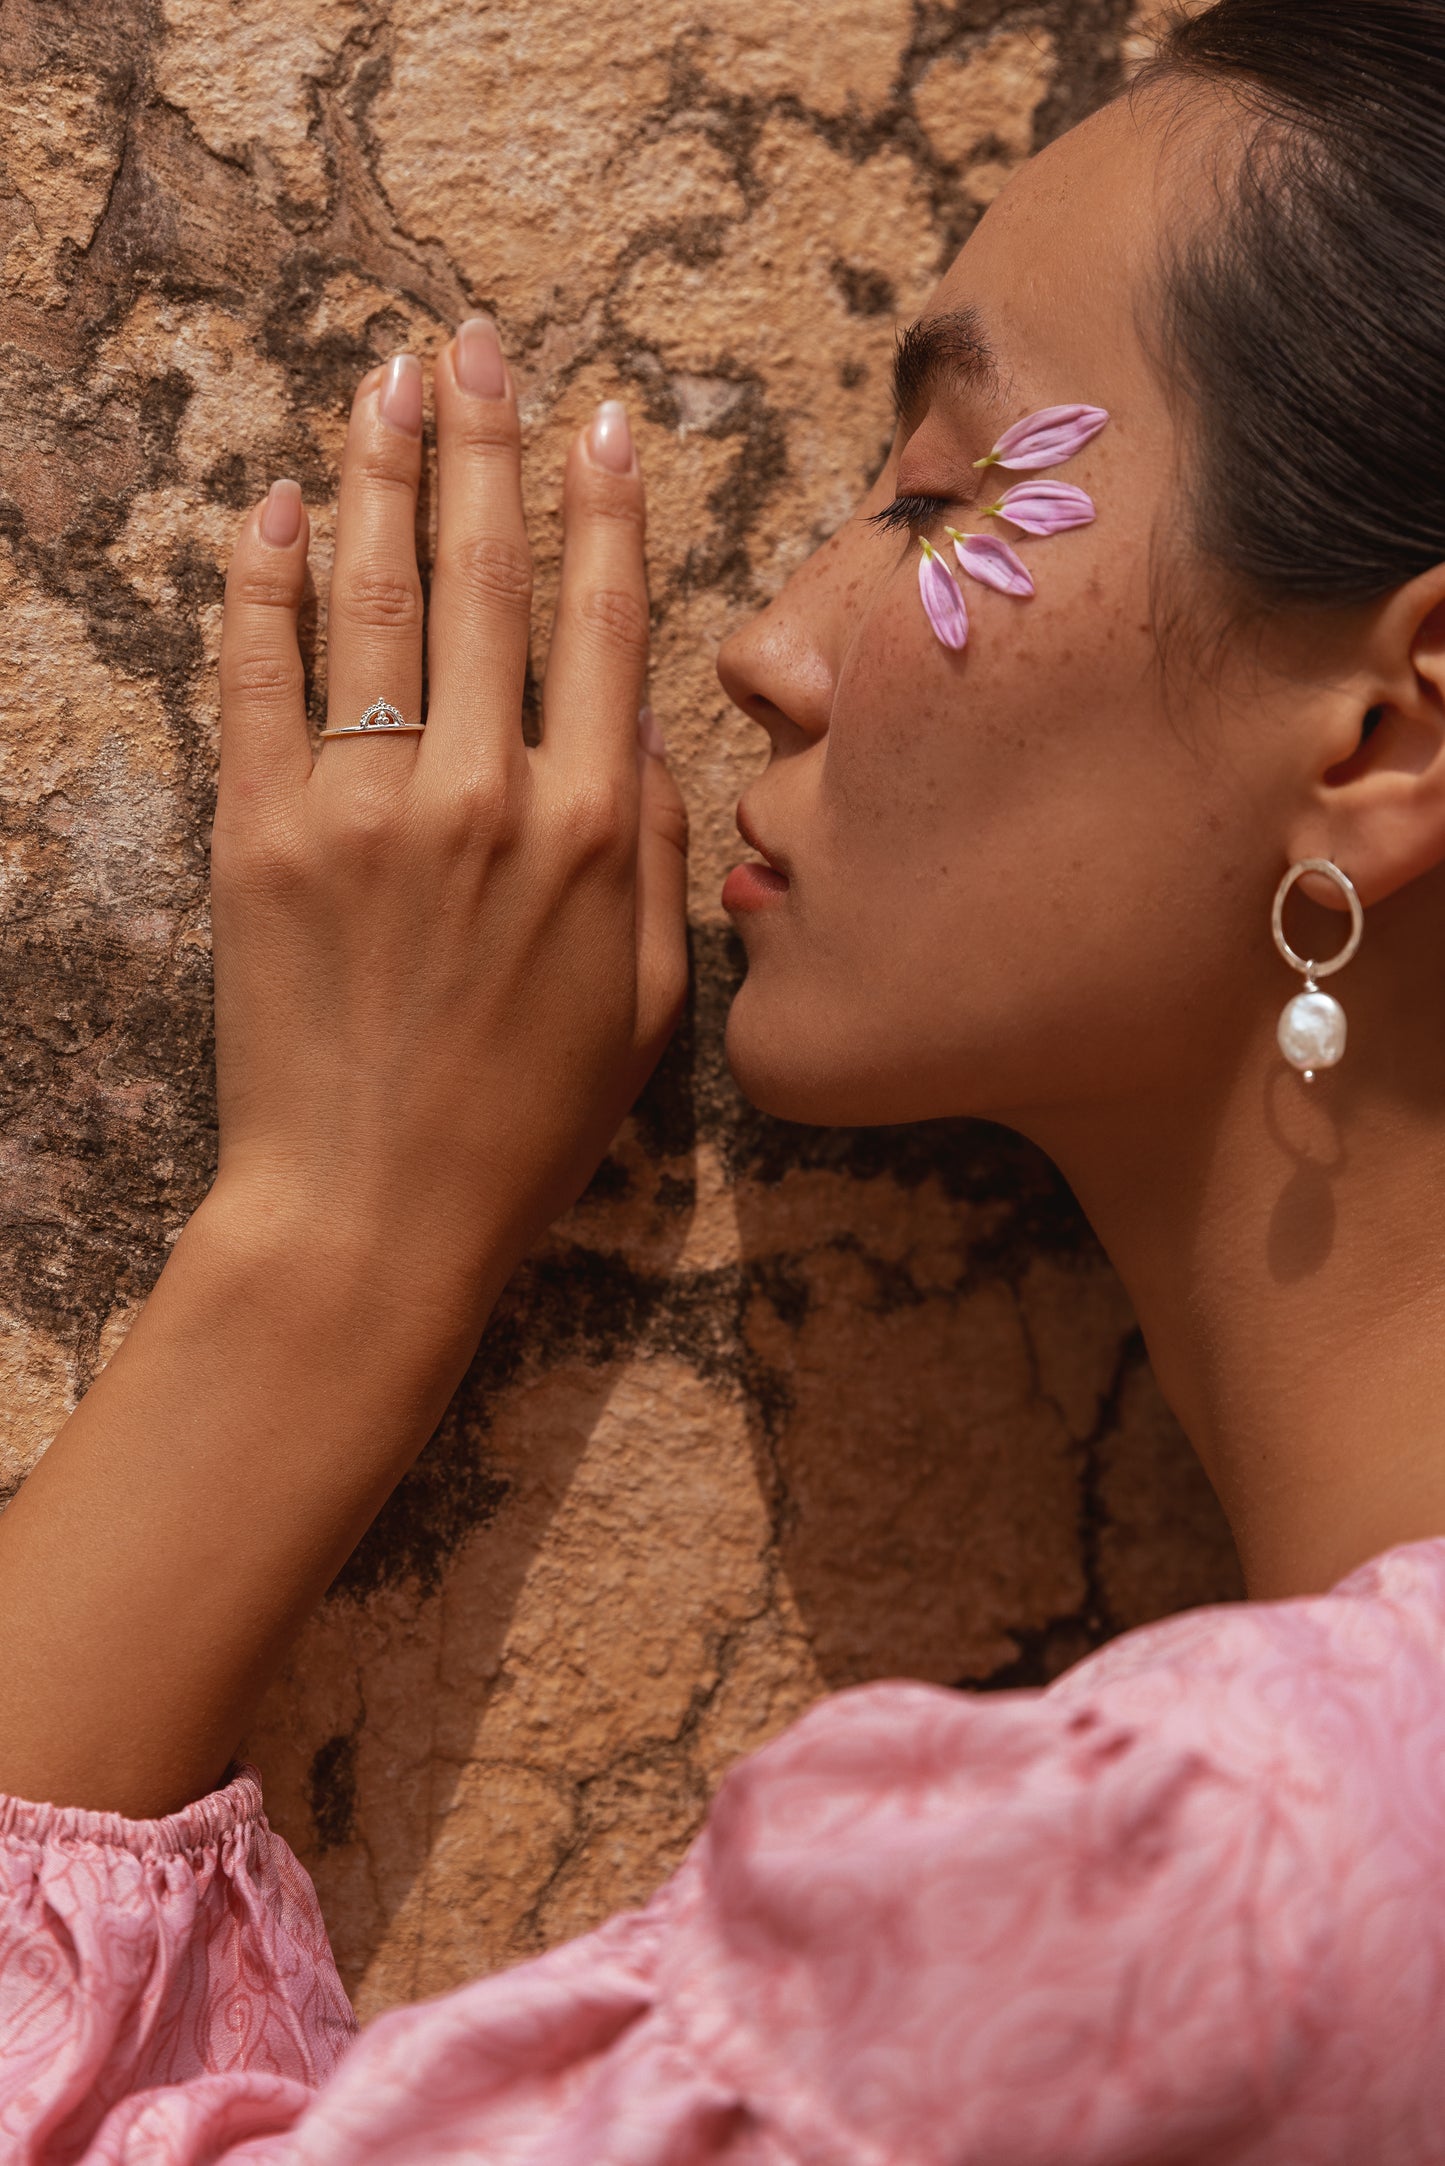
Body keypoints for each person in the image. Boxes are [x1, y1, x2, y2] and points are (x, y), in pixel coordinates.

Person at [2, 0, 1445, 2156]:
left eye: (940, 497)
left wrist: (330, 1242)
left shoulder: (1210, 1889)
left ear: (1391, 736)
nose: (772, 644)